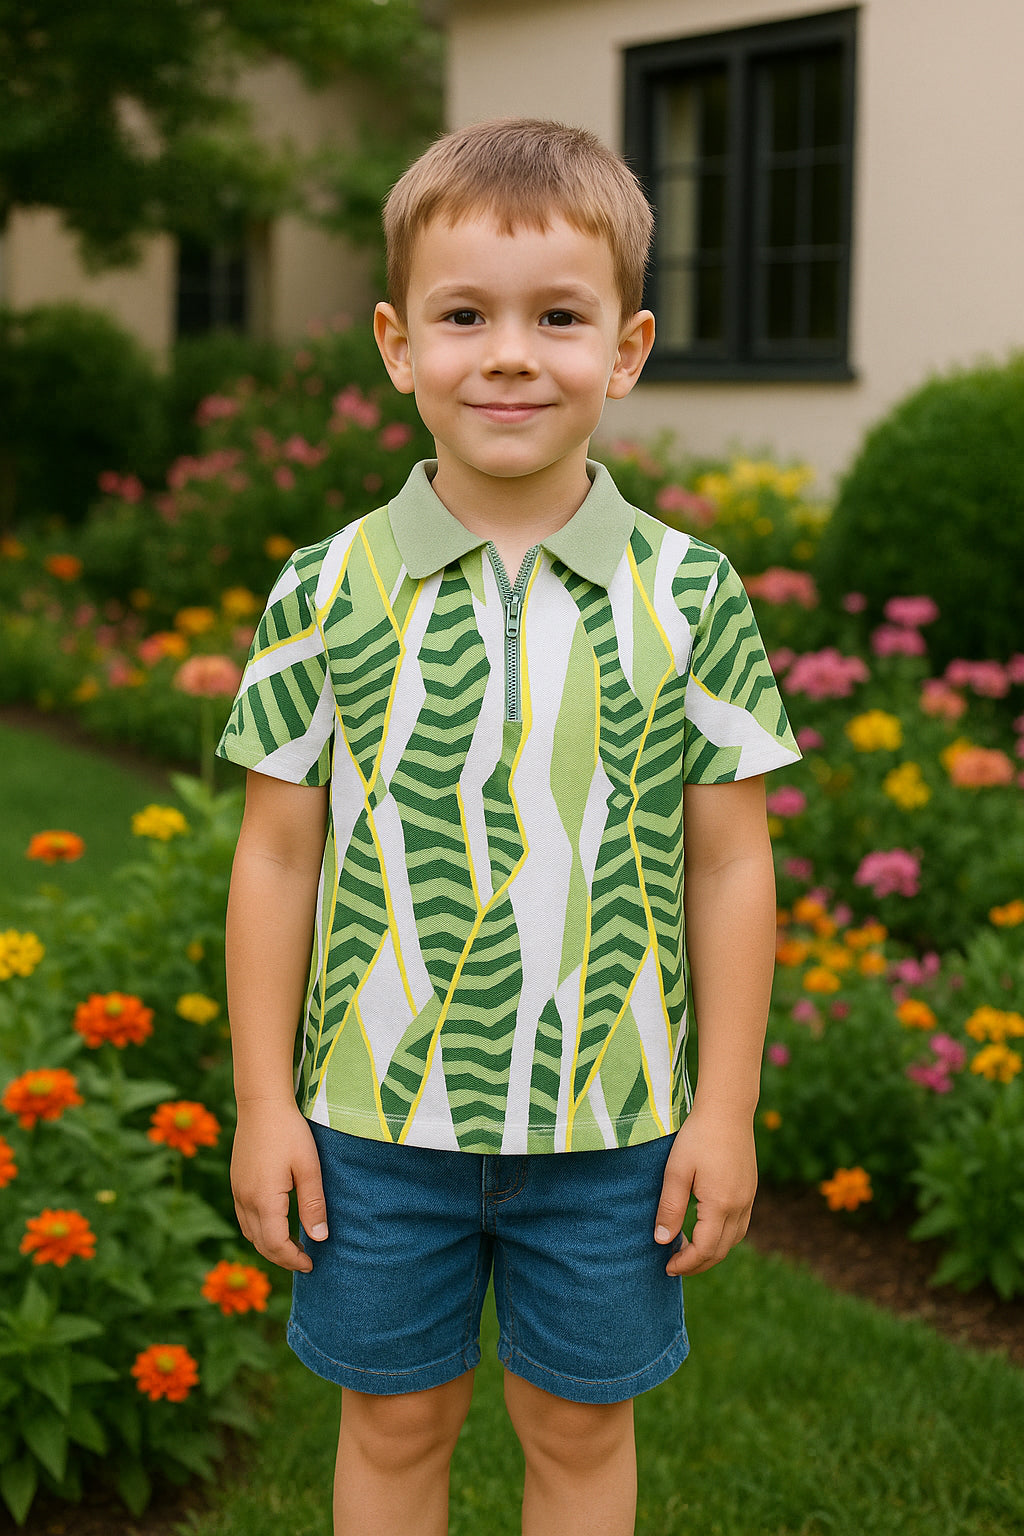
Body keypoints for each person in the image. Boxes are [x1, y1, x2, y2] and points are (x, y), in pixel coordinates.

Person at [218, 117, 800, 1536]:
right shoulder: (325, 589)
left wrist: (723, 1111)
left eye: (559, 317)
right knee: (397, 1421)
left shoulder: (690, 594)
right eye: (464, 315)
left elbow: (729, 865)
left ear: (630, 347)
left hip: (616, 1132)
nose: (512, 355)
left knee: (576, 1431)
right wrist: (263, 1104)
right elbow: (277, 855)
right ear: (398, 343)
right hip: (372, 1119)